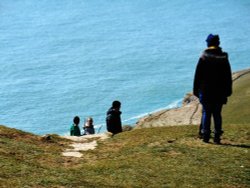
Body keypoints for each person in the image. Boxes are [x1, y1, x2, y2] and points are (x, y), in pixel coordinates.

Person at [193, 34, 232, 144]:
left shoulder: (204, 56)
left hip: (206, 91)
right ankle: (217, 137)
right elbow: (227, 76)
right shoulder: (223, 57)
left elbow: (198, 75)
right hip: (220, 91)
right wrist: (228, 90)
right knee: (217, 113)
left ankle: (205, 136)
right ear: (218, 43)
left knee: (206, 112)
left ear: (208, 44)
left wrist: (196, 90)